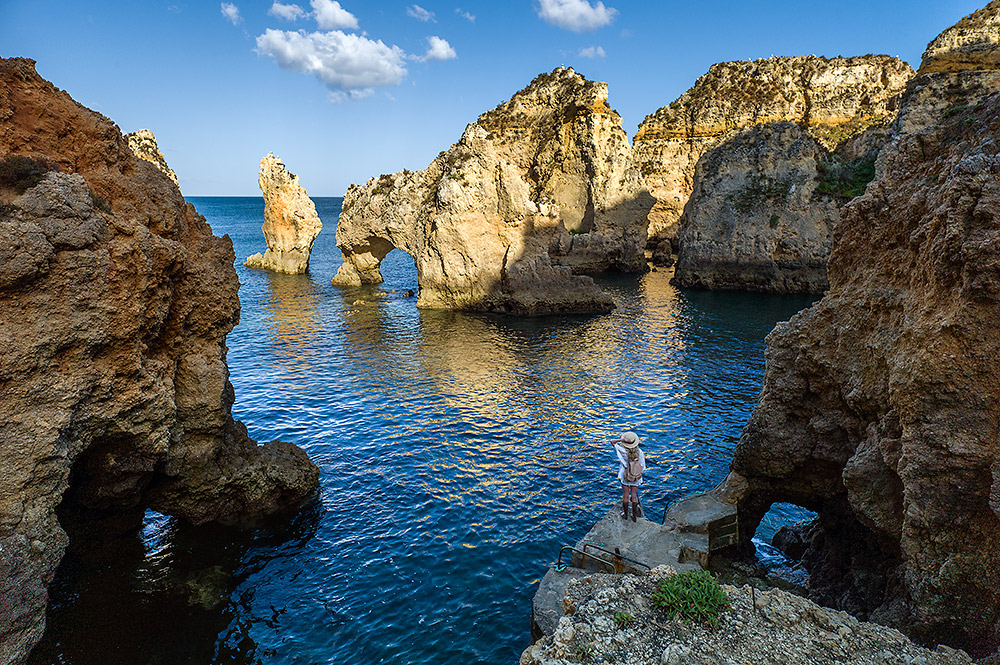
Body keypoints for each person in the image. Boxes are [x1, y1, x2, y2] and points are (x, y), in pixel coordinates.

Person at [610, 431, 646, 522]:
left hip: (625, 475)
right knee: (634, 495)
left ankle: (625, 515)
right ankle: (634, 516)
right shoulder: (640, 452)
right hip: (635, 476)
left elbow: (612, 441)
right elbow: (643, 466)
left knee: (625, 495)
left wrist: (622, 439)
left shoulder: (623, 451)